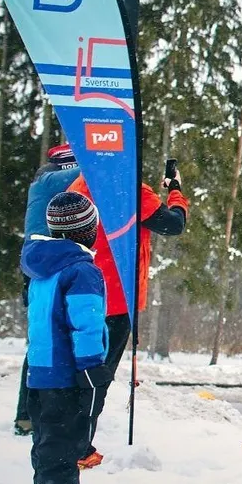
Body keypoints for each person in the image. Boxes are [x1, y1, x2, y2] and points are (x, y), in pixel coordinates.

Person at [68, 166, 189, 468]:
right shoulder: (128, 186)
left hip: (79, 291)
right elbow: (173, 224)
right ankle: (78, 449)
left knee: (75, 372)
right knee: (97, 377)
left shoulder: (80, 183)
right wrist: (176, 191)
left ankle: (66, 441)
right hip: (117, 296)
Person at [21, 192, 109, 484]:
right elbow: (85, 323)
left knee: (47, 443)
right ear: (89, 230)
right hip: (67, 371)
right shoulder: (82, 271)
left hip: (40, 370)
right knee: (65, 443)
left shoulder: (42, 267)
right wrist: (92, 366)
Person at [13, 144, 81, 436]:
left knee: (42, 342)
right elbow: (90, 173)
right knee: (45, 342)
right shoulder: (48, 179)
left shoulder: (49, 183)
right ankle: (31, 414)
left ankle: (29, 415)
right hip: (49, 267)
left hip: (42, 267)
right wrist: (106, 159)